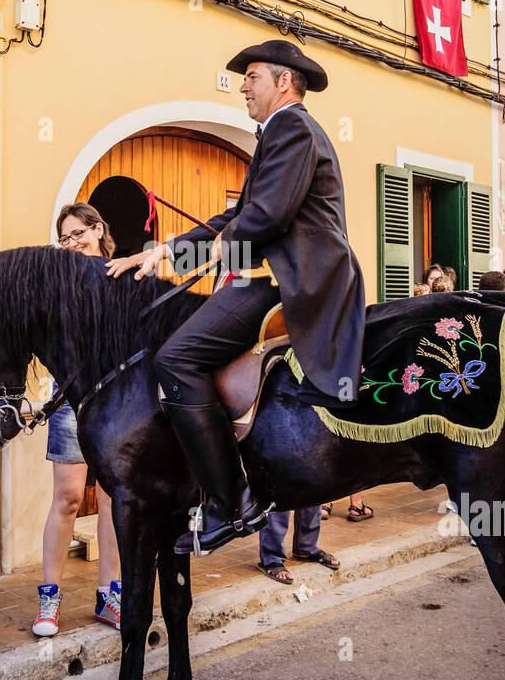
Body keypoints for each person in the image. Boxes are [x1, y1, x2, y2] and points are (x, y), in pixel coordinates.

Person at [109, 38, 366, 557]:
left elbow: (267, 215)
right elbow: (236, 218)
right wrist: (163, 253)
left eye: (253, 76)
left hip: (290, 280)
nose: (244, 85)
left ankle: (232, 502)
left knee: (176, 358)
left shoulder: (292, 127)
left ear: (284, 83)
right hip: (270, 272)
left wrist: (226, 245)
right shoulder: (276, 133)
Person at [34, 204, 122, 638]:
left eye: (78, 234)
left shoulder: (118, 274)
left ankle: (111, 596)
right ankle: (49, 599)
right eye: (65, 238)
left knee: (110, 499)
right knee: (67, 499)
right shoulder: (57, 284)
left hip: (115, 404)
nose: (72, 243)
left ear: (97, 229)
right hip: (71, 401)